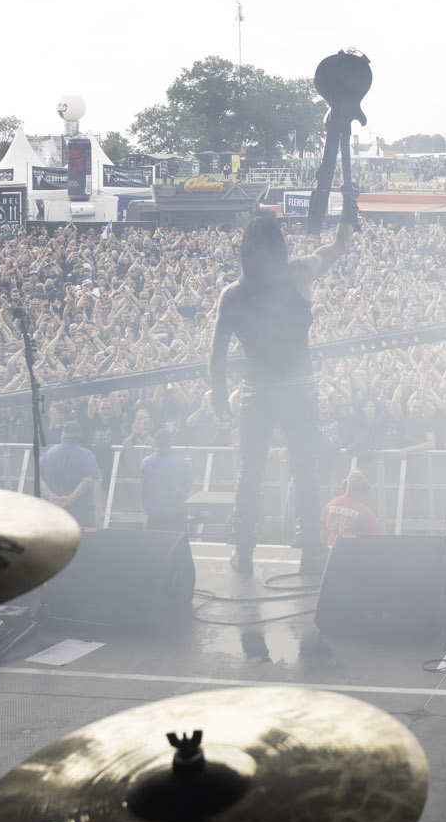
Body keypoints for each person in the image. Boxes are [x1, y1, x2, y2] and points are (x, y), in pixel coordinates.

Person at [210, 216, 352, 574]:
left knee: (251, 470)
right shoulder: (299, 273)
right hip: (301, 386)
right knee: (304, 467)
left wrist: (218, 396)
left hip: (256, 390)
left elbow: (218, 352)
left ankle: (243, 549)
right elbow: (336, 248)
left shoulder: (233, 294)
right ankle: (313, 547)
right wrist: (347, 221)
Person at [40, 422, 100, 528]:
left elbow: (39, 478)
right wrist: (69, 499)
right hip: (80, 510)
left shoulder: (48, 453)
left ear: (62, 435)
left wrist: (50, 496)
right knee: (86, 543)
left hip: (52, 507)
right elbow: (88, 480)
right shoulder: (87, 455)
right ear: (80, 435)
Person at [140, 426, 193, 532]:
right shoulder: (182, 463)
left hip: (154, 516)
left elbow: (143, 480)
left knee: (155, 547)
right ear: (171, 441)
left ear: (156, 441)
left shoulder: (146, 462)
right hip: (176, 516)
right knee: (177, 546)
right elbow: (188, 486)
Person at [321, 468, 380, 548]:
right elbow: (374, 545)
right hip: (352, 558)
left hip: (330, 557)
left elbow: (323, 536)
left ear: (345, 485)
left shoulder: (330, 505)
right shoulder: (366, 514)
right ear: (365, 488)